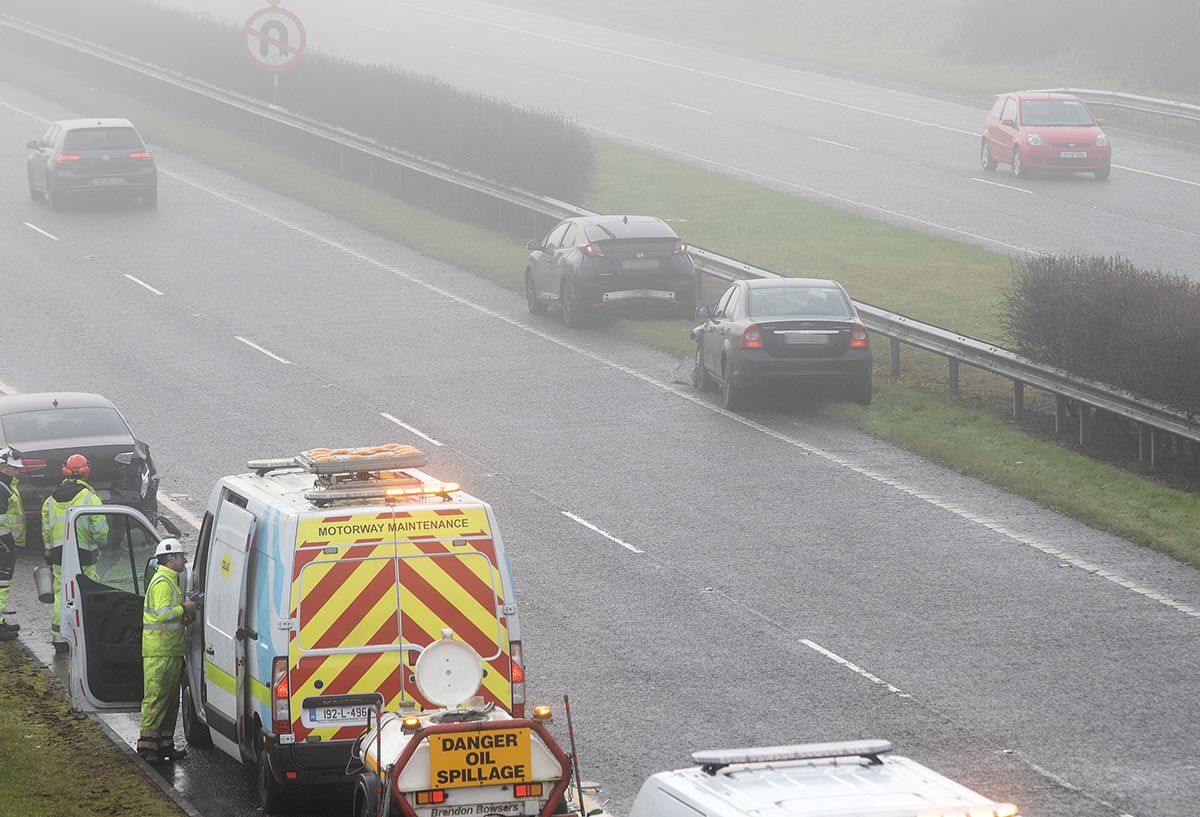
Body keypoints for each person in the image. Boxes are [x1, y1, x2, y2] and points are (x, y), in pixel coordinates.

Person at [138, 537, 196, 764]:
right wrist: (185, 607)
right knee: (157, 697)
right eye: (181, 556)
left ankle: (164, 744)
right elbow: (162, 613)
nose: (184, 559)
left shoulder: (170, 579)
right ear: (170, 558)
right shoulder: (163, 581)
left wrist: (184, 613)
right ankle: (146, 747)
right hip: (159, 651)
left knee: (171, 700)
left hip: (169, 649)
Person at [41, 453, 107, 653]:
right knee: (87, 593)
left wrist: (48, 554)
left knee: (62, 593)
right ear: (87, 471)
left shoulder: (51, 500)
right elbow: (101, 531)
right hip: (85, 554)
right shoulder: (90, 498)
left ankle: (59, 638)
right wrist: (102, 545)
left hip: (59, 554)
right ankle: (87, 635)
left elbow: (46, 531)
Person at [0, 447, 25, 642]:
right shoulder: (1, 488)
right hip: (3, 544)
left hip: (7, 543)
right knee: (1, 584)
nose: (17, 471)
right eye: (13, 468)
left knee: (3, 584)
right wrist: (7, 541)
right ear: (2, 467)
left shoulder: (7, 484)